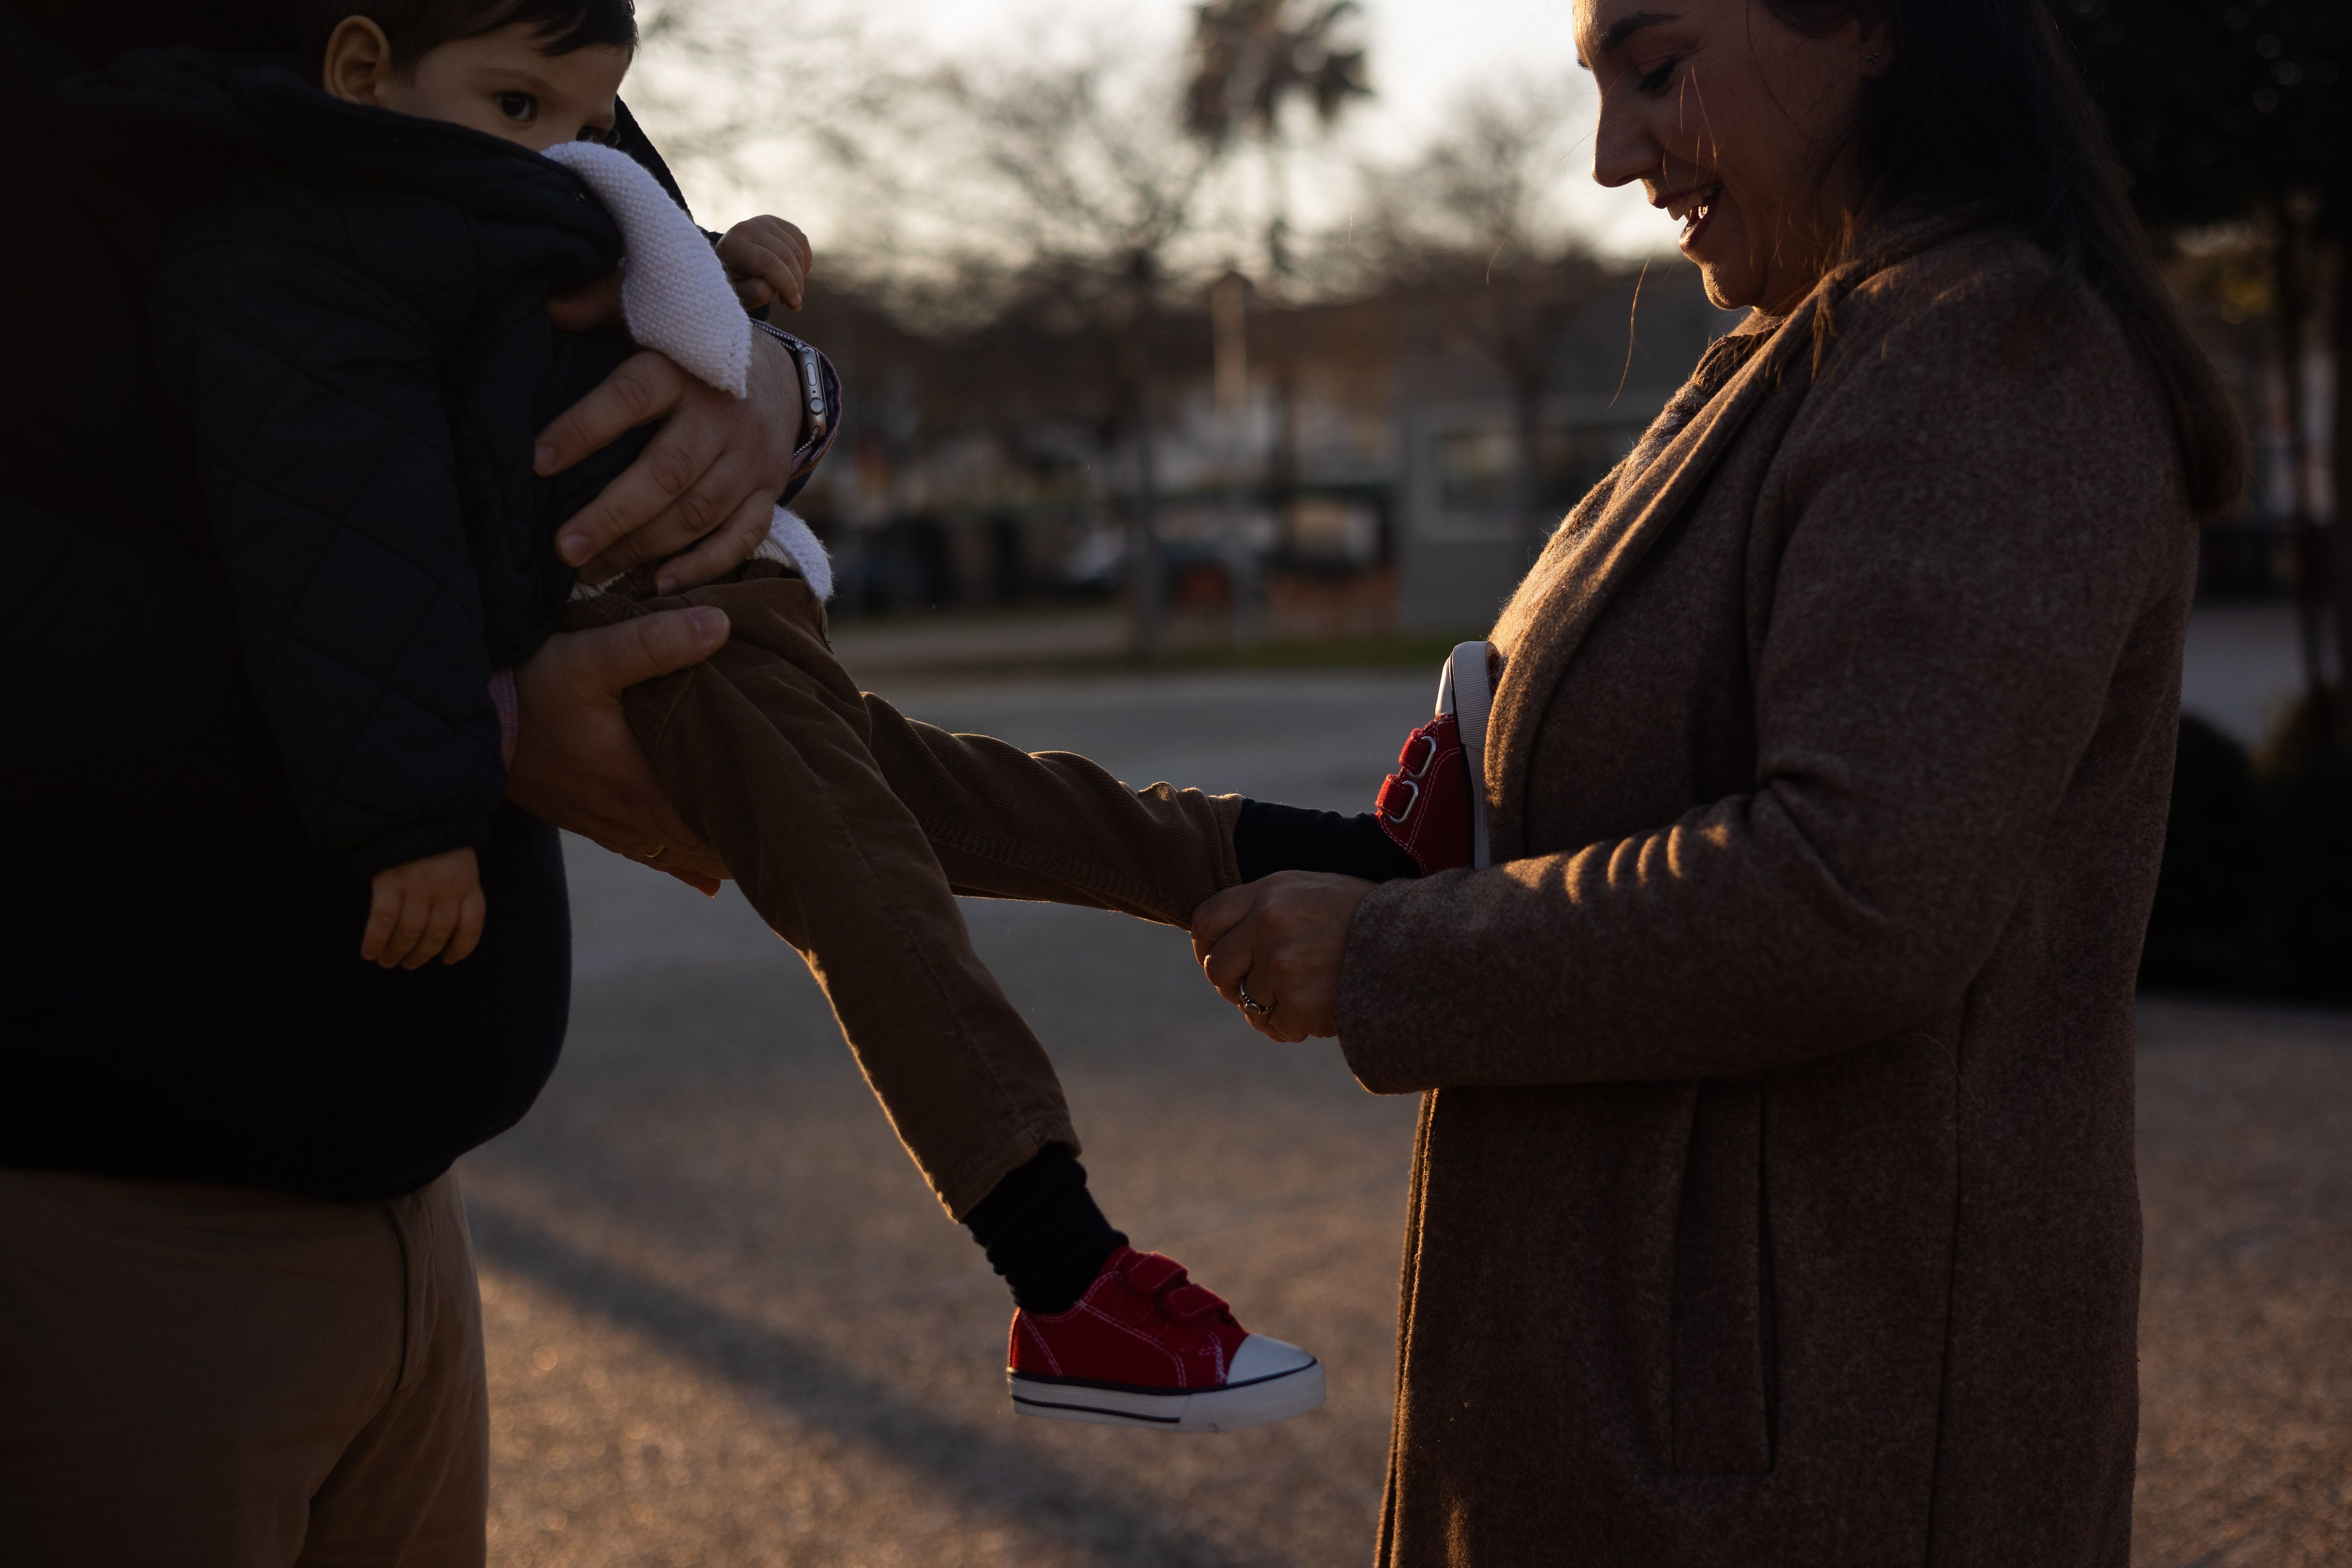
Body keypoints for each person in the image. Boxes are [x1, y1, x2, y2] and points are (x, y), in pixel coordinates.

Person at [641, 0, 2224, 1559]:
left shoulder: (1984, 364)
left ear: (1871, 25)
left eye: (1658, 72)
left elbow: (1860, 888)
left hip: (1814, 1441)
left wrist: (1391, 952)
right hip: (1679, 1411)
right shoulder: (1811, 349)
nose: (1613, 157)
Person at [112, 0, 1325, 1433]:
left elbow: (644, 337)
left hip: (722, 604)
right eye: (519, 108)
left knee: (965, 803)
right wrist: (421, 814)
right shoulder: (319, 248)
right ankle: (1066, 1275)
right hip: (648, 635)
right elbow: (345, 557)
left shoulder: (499, 173)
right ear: (365, 69)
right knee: (872, 895)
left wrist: (745, 288)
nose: (560, 146)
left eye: (588, 115)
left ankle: (1332, 850)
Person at [0, 0, 813, 1559]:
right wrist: (477, 716)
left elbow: (635, 287)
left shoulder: (471, 34)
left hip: (415, 1201)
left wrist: (783, 385)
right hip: (95, 1207)